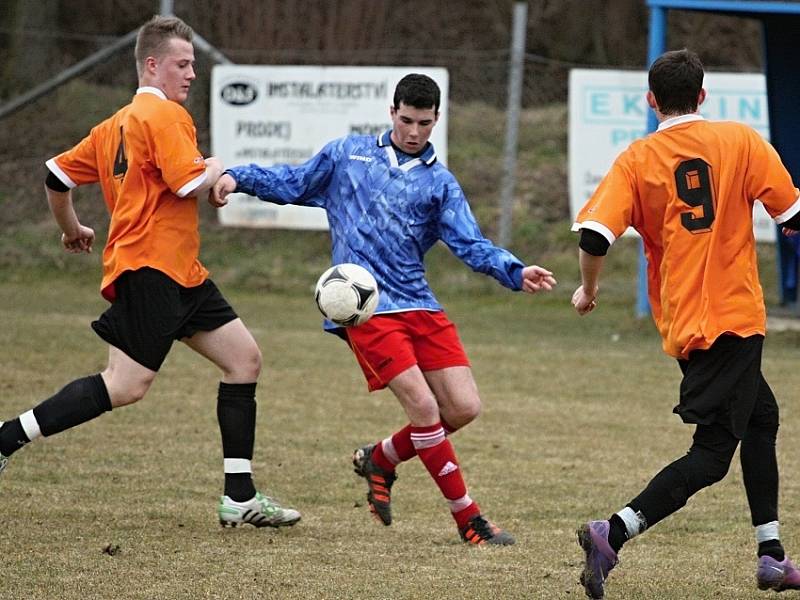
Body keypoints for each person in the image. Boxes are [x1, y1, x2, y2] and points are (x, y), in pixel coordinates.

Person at [212, 73, 557, 545]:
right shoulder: (347, 156)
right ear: (392, 112)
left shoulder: (440, 183)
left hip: (420, 303)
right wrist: (239, 176)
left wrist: (515, 272)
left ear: (437, 120)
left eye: (425, 123)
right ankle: (469, 520)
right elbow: (291, 182)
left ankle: (382, 458)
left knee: (463, 407)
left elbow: (470, 244)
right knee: (423, 405)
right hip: (368, 309)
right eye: (408, 119)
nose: (415, 131)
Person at [0, 15, 300, 530]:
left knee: (244, 359)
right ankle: (7, 436)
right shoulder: (166, 118)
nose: (191, 74)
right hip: (151, 268)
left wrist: (72, 229)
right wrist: (216, 165)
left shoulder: (113, 124)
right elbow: (188, 185)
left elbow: (55, 175)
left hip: (181, 272)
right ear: (153, 64)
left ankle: (239, 496)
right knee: (124, 384)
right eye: (183, 64)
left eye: (193, 65)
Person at [571, 48, 800, 598]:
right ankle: (614, 531)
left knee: (763, 418)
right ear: (703, 96)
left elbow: (595, 236)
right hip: (734, 318)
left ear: (652, 101)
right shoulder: (740, 141)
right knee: (713, 455)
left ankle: (771, 555)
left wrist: (589, 289)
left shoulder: (637, 159)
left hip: (684, 324)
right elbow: (792, 217)